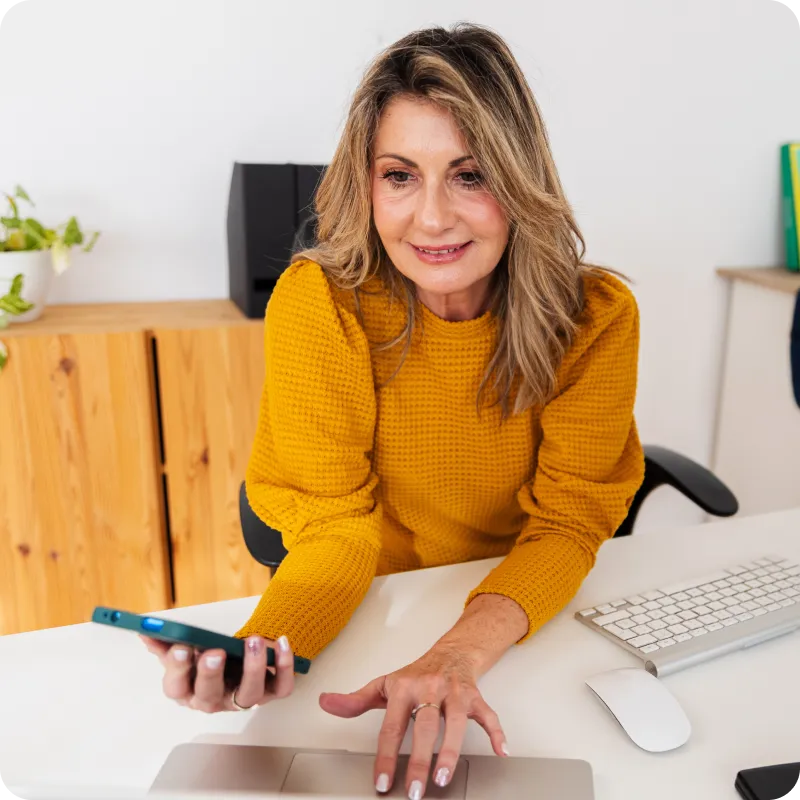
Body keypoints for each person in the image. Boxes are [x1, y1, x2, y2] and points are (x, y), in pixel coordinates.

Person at [141, 21, 645, 800]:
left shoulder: (596, 317)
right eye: (400, 175)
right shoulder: (322, 303)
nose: (432, 219)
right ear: (366, 184)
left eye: (471, 175)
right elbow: (337, 526)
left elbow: (568, 523)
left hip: (511, 606)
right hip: (372, 605)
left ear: (520, 180)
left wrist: (457, 654)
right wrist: (260, 651)